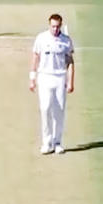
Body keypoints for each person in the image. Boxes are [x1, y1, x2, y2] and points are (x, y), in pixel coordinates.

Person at [30, 14, 75, 154]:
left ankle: (57, 142)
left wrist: (70, 81)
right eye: (53, 26)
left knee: (59, 110)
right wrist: (32, 77)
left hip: (60, 77)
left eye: (57, 26)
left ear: (61, 26)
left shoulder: (66, 41)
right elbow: (35, 57)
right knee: (45, 108)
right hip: (44, 76)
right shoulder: (41, 38)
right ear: (49, 25)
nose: (55, 29)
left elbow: (70, 62)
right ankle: (46, 142)